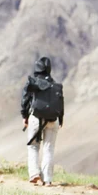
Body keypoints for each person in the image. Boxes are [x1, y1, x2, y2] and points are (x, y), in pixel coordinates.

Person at [20, 57, 64, 187]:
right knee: (49, 148)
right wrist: (61, 119)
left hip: (36, 117)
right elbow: (61, 103)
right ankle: (48, 179)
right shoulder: (55, 85)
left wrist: (25, 116)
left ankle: (35, 175)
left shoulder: (33, 82)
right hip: (53, 119)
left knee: (33, 146)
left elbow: (25, 100)